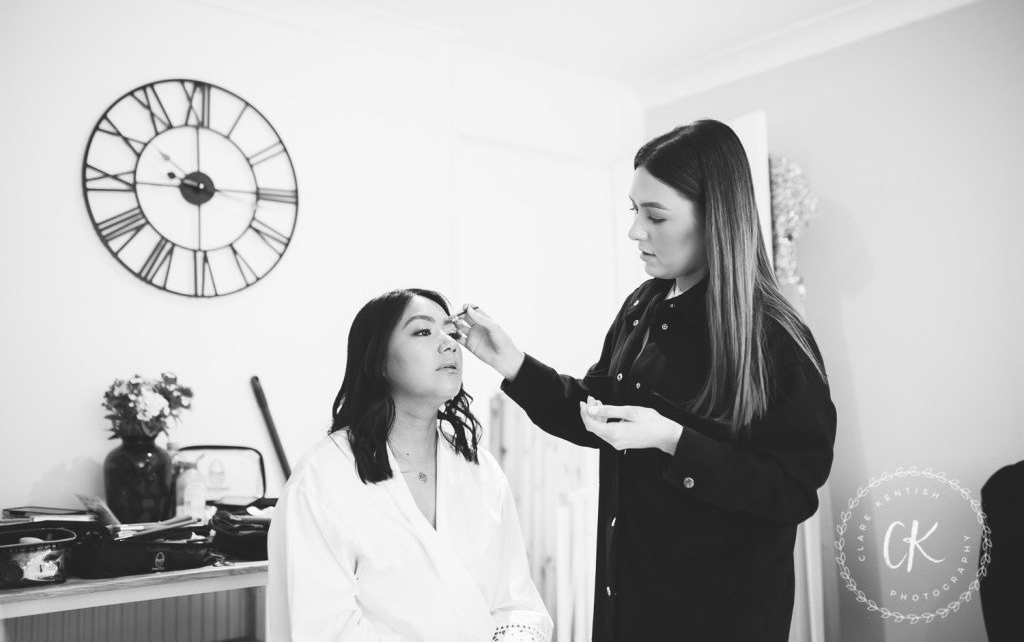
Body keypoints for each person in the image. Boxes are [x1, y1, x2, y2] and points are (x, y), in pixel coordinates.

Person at [453, 119, 838, 641]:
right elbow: (597, 415)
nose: (636, 232)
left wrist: (674, 440)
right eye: (635, 211)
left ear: (716, 218)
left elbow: (791, 492)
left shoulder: (773, 337)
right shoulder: (642, 306)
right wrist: (514, 364)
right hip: (627, 607)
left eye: (655, 216)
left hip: (718, 619)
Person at [267, 288, 552, 642]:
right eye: (423, 331)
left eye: (451, 333)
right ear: (379, 360)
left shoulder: (480, 468)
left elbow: (517, 603)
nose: (448, 344)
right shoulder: (322, 479)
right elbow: (324, 629)